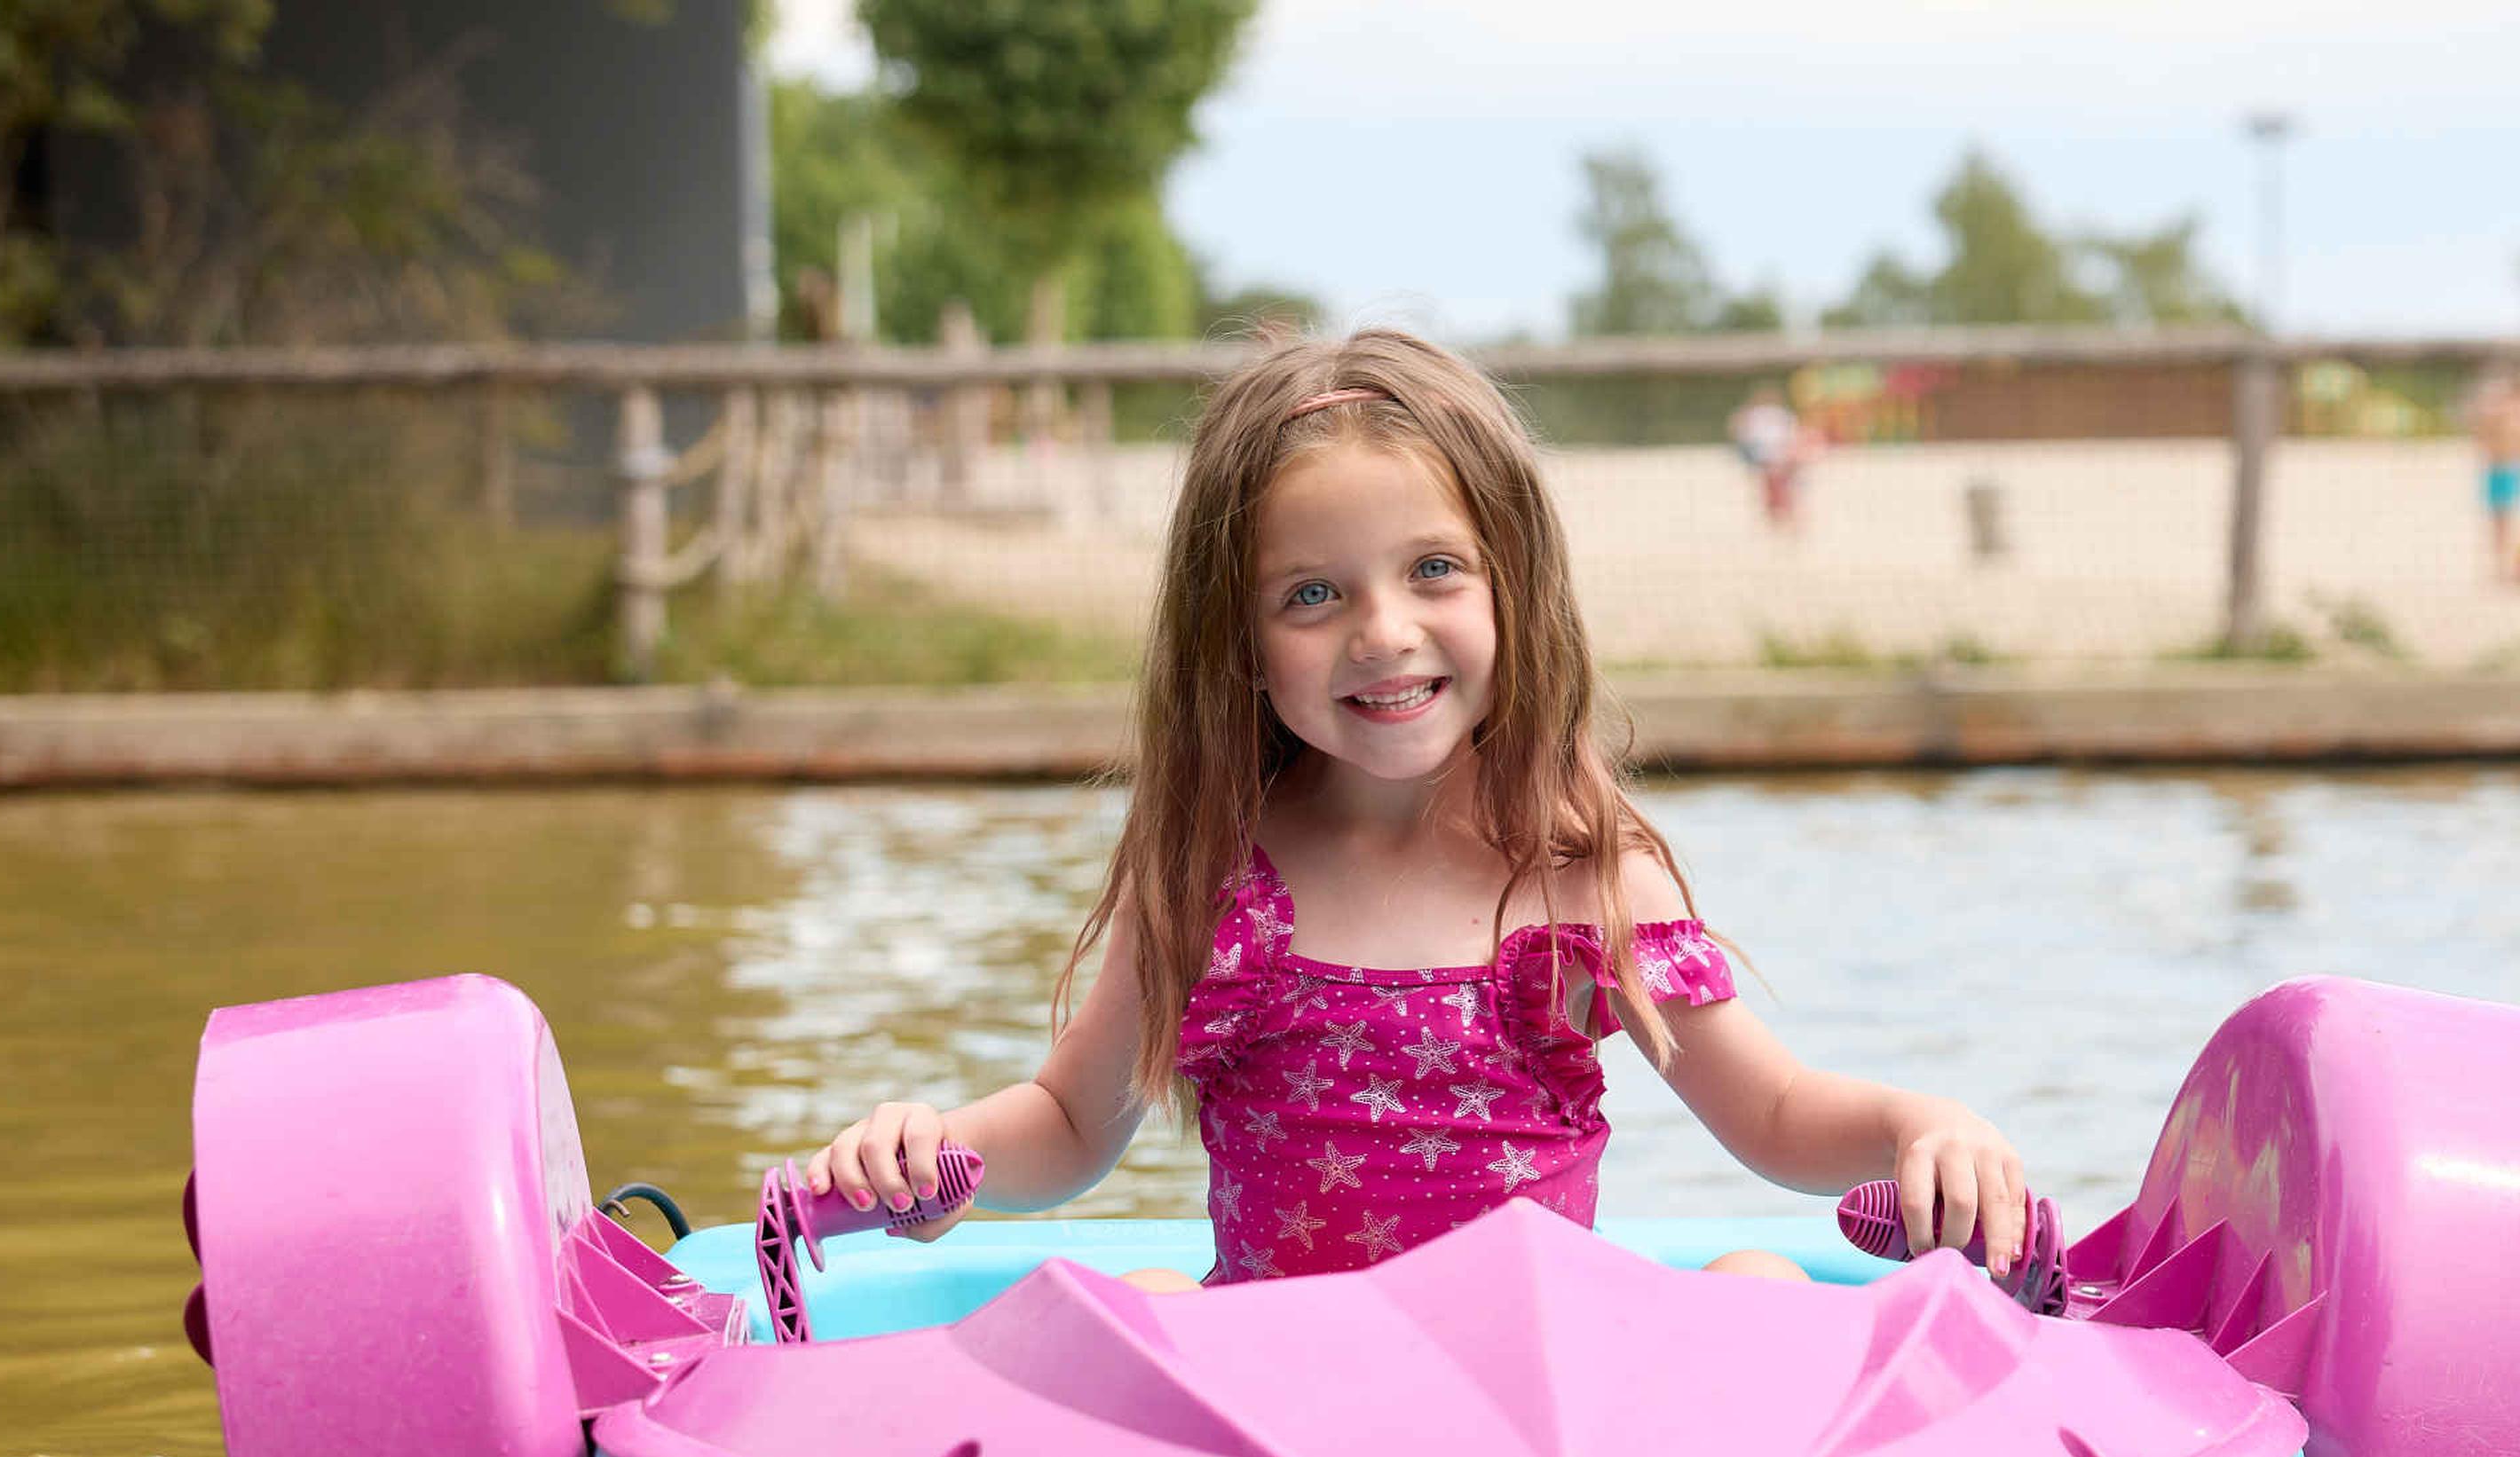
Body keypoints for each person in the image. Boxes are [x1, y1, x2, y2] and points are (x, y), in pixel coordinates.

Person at [801, 329, 2026, 1294]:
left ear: (1513, 584)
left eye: (1433, 570)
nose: (1382, 631)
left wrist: (1924, 1122)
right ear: (1240, 639)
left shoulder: (1582, 879)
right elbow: (1070, 1123)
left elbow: (1773, 1116)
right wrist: (931, 1153)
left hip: (1530, 1399)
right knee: (1153, 1306)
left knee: (1756, 1284)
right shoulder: (1211, 880)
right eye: (1313, 593)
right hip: (1284, 1391)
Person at [2469, 368, 2520, 581]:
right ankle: (2503, 567)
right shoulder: (2503, 412)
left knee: (2508, 521)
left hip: (2510, 467)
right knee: (2500, 521)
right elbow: (2484, 434)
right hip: (2499, 468)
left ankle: (2509, 567)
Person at [1728, 384, 1813, 530]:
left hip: (1776, 454)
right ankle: (1780, 511)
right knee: (1776, 482)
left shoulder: (1777, 415)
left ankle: (1782, 511)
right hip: (1769, 455)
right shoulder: (1762, 415)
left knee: (1780, 482)